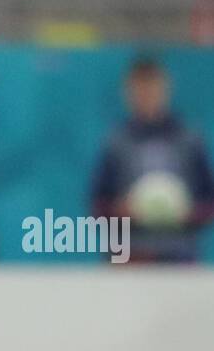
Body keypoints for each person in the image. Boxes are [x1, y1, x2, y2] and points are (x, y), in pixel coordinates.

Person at [91, 57, 214, 263]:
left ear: (165, 88)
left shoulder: (189, 141)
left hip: (179, 257)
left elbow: (209, 203)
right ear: (128, 92)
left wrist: (188, 213)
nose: (146, 96)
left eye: (152, 88)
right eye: (140, 90)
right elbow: (98, 205)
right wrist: (121, 210)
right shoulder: (116, 143)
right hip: (130, 257)